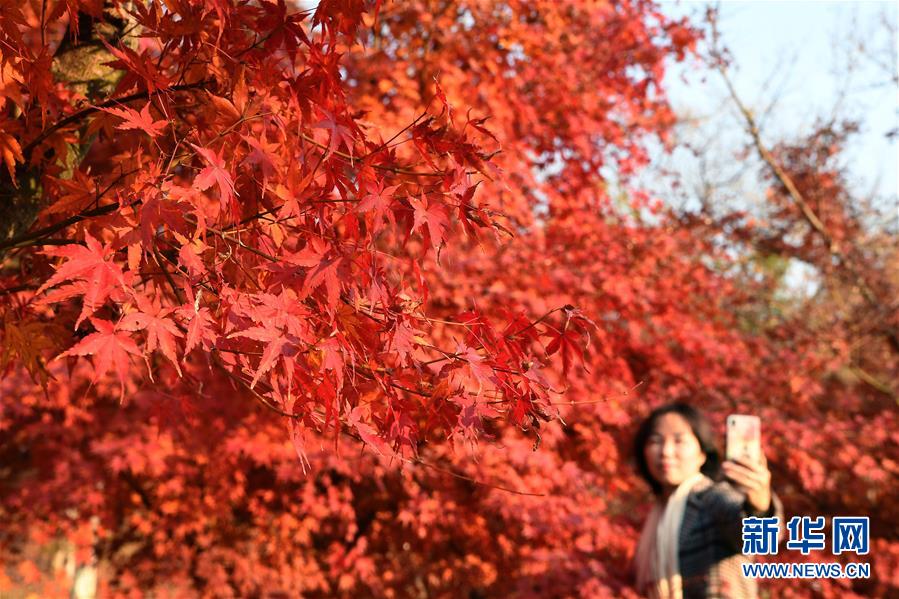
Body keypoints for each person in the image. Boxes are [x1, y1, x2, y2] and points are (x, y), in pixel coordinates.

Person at [632, 402, 782, 599]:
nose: (666, 451)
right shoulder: (657, 515)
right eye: (656, 441)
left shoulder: (711, 497)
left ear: (702, 453)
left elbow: (761, 539)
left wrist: (759, 505)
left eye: (679, 441)